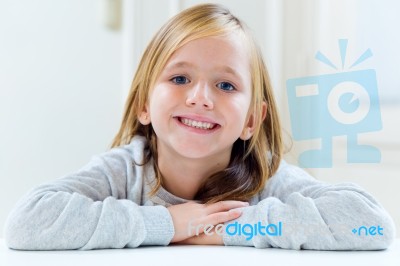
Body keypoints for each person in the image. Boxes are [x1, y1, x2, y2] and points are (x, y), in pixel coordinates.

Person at [4, 3, 395, 251]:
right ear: (143, 103)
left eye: (226, 85)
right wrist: (169, 224)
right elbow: (26, 223)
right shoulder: (124, 171)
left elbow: (372, 227)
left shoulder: (266, 177)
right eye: (179, 79)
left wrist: (226, 229)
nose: (200, 98)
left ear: (250, 121)